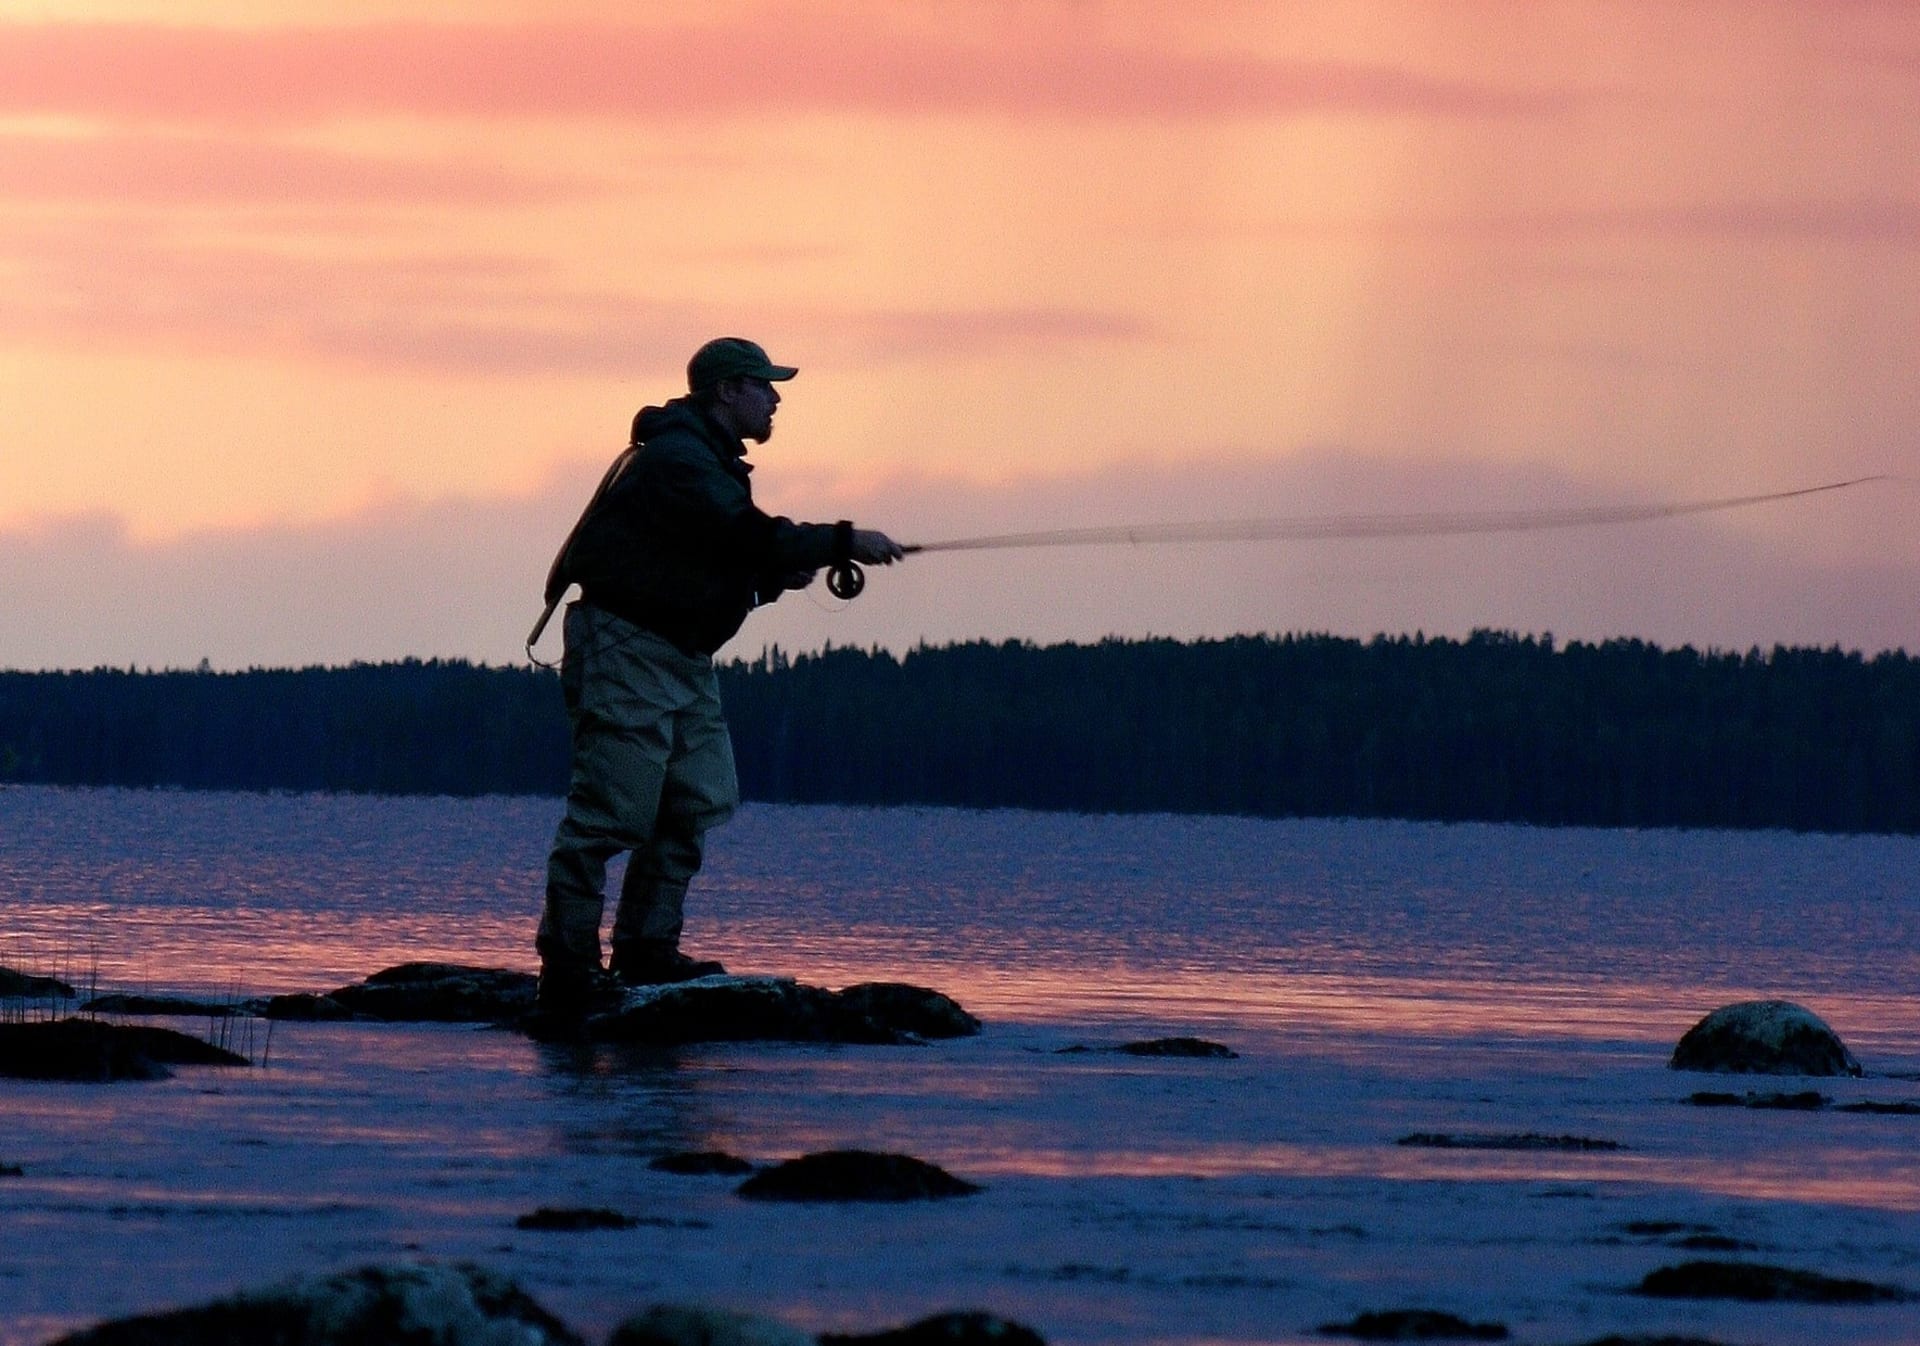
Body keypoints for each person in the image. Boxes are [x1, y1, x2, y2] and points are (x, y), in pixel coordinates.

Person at [533, 337, 903, 1014]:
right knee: (612, 812)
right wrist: (843, 541)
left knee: (698, 797)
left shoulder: (704, 461)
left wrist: (771, 580)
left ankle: (646, 951)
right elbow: (744, 533)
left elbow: (707, 558)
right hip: (626, 647)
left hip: (680, 655)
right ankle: (568, 966)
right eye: (764, 386)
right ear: (727, 391)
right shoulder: (681, 459)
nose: (776, 398)